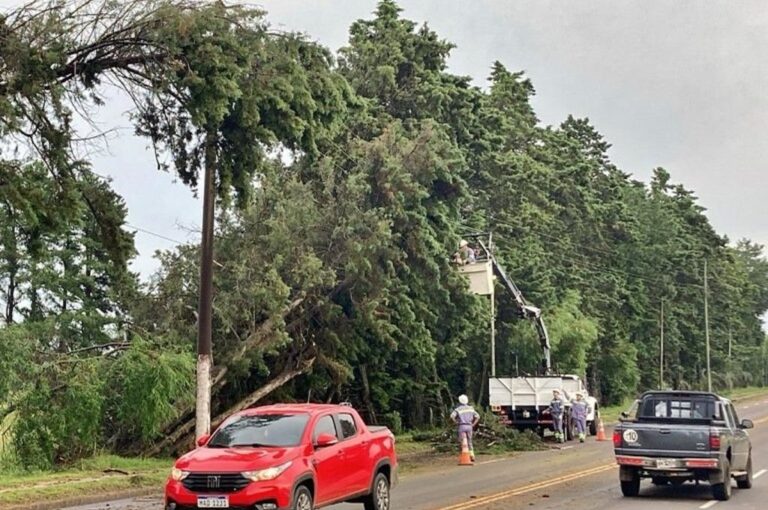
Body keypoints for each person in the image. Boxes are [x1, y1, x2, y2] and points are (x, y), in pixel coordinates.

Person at [450, 394, 480, 461]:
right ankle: (472, 455)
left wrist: (456, 422)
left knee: (461, 441)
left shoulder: (458, 409)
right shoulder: (471, 408)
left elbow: (452, 416)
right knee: (469, 441)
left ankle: (462, 456)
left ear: (460, 401)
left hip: (462, 426)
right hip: (469, 426)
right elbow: (478, 416)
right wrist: (473, 424)